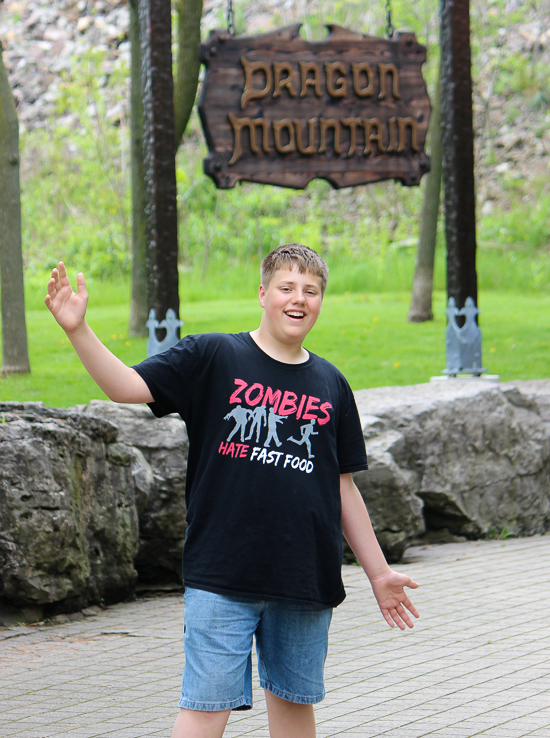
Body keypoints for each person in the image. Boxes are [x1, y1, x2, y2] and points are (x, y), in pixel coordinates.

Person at [45, 244, 419, 738]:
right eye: (286, 287)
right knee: (204, 709)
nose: (298, 299)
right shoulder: (214, 355)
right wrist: (78, 328)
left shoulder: (332, 384)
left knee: (294, 708)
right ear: (263, 293)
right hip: (222, 574)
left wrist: (378, 574)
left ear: (321, 301)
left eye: (310, 291)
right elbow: (127, 386)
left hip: (304, 577)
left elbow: (343, 487)